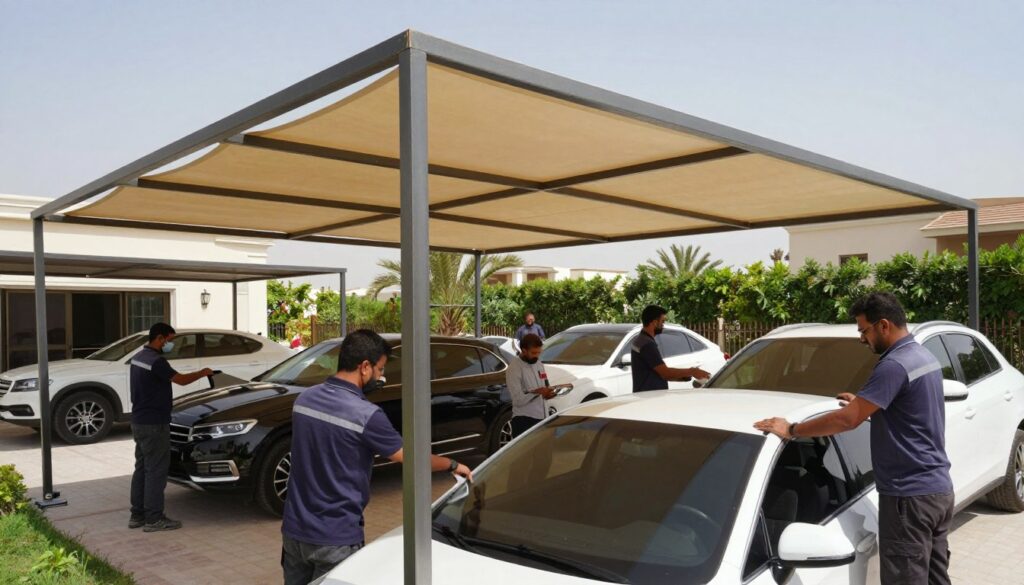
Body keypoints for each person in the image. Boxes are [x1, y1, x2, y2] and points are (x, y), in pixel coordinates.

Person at [754, 292, 954, 585]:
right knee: (936, 579)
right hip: (937, 491)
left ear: (883, 325)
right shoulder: (923, 356)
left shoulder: (893, 365)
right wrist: (868, 404)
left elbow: (847, 420)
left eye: (864, 330)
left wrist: (792, 429)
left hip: (907, 497)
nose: (862, 338)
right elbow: (911, 412)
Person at [281, 329, 473, 585]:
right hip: (336, 538)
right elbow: (412, 459)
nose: (381, 377)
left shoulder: (304, 400)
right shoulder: (366, 415)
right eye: (380, 369)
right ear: (364, 367)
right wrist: (453, 464)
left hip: (294, 534)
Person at [129, 323, 213, 532]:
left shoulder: (138, 358)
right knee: (156, 471)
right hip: (154, 423)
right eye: (170, 339)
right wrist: (203, 372)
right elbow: (181, 380)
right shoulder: (157, 362)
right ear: (160, 338)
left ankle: (137, 515)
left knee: (142, 468)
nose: (171, 344)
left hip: (138, 421)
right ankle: (154, 519)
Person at [631, 305, 710, 392]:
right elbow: (665, 373)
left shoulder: (641, 340)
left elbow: (658, 373)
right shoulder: (647, 344)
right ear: (654, 322)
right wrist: (692, 371)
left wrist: (681, 377)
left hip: (647, 395)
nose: (663, 325)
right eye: (662, 322)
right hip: (650, 397)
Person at [505, 333, 568, 438]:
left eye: (539, 352)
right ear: (524, 350)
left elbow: (545, 383)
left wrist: (548, 393)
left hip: (542, 417)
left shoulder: (538, 363)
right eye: (534, 353)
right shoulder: (514, 369)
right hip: (524, 420)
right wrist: (538, 392)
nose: (537, 355)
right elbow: (517, 400)